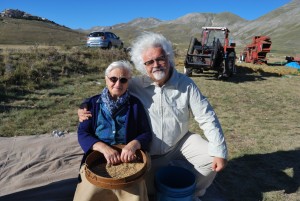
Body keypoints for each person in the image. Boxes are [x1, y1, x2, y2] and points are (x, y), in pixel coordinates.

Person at [79, 32, 228, 200]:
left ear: (169, 57)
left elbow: (206, 116)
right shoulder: (134, 84)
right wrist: (84, 106)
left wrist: (219, 151)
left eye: (160, 58)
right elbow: (111, 91)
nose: (156, 65)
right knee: (148, 191)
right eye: (149, 62)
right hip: (148, 150)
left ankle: (193, 193)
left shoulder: (185, 84)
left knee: (211, 157)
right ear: (143, 66)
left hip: (180, 142)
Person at [73, 60, 152, 201]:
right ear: (106, 79)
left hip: (128, 159)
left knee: (135, 194)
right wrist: (102, 147)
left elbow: (145, 133)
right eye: (113, 79)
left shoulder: (135, 105)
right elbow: (83, 133)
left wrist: (133, 145)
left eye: (123, 80)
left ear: (128, 82)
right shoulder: (91, 104)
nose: (118, 84)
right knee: (88, 193)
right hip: (97, 159)